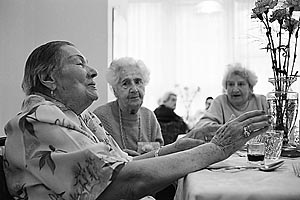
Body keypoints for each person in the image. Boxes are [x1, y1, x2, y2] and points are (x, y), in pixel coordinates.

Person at [3, 41, 271, 200]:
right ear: (49, 79)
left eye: (138, 82)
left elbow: (123, 164)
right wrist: (217, 149)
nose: (93, 71)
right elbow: (126, 181)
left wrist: (182, 145)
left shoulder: (76, 117)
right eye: (80, 64)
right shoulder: (39, 120)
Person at [93, 57, 164, 157]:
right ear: (115, 90)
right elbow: (97, 157)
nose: (134, 89)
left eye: (138, 82)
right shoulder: (101, 117)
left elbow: (159, 154)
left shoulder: (149, 116)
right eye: (126, 83)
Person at [188, 62, 268, 142]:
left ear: (250, 87)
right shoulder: (220, 101)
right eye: (231, 84)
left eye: (240, 84)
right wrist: (227, 130)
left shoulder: (261, 101)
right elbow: (202, 125)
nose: (235, 89)